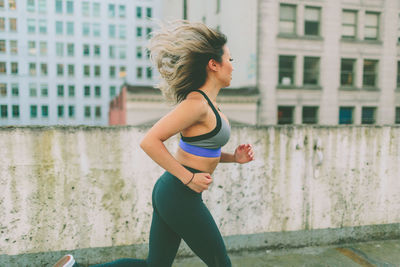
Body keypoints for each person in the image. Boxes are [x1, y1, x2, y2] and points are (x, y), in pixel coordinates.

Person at [53, 21, 254, 267]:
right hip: (179, 194)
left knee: (155, 265)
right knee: (221, 263)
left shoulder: (211, 106)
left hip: (175, 192)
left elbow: (201, 150)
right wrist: (189, 178)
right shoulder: (196, 104)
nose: (233, 67)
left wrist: (234, 157)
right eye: (230, 60)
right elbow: (149, 141)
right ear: (213, 64)